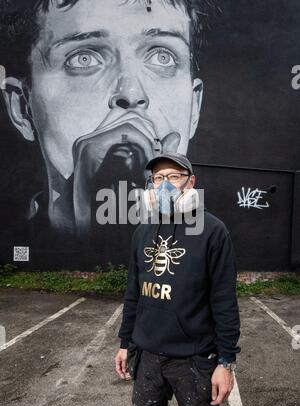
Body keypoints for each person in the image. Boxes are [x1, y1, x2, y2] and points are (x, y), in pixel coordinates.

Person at [0, 0, 219, 238]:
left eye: (162, 57)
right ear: (22, 108)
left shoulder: (213, 237)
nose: (131, 93)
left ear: (194, 109)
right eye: (83, 58)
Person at [115, 152, 241, 406]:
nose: (165, 184)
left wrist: (225, 362)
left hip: (194, 359)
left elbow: (224, 300)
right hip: (147, 355)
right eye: (158, 178)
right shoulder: (142, 231)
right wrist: (125, 342)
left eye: (174, 176)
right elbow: (133, 294)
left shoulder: (213, 231)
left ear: (191, 182)